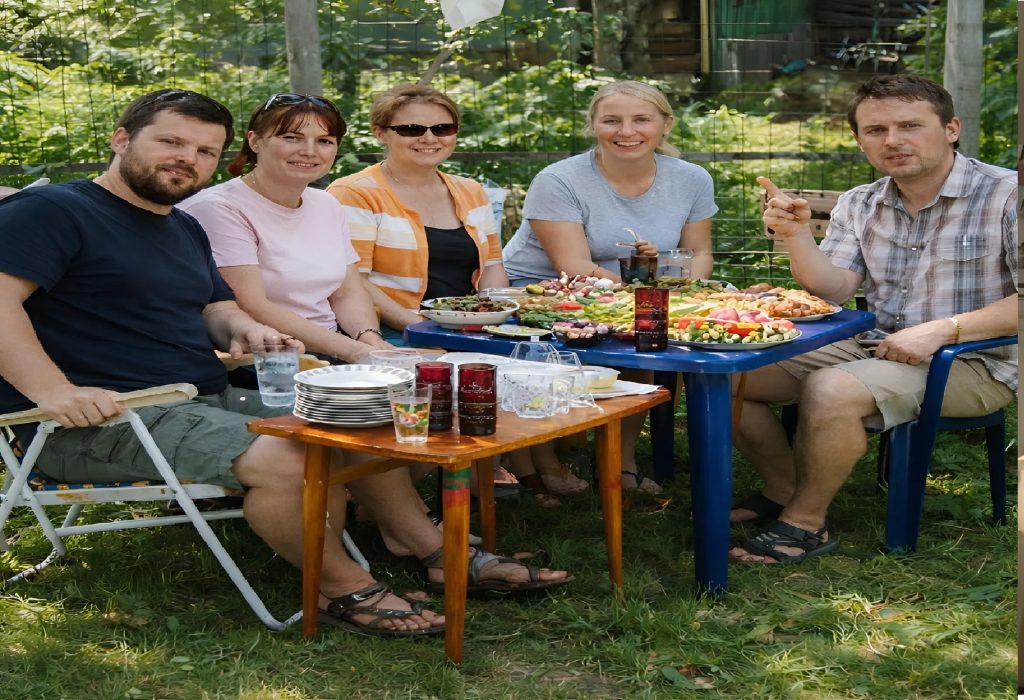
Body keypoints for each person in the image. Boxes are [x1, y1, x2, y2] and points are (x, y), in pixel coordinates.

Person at [0, 90, 569, 638]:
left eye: (204, 151)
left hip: (195, 397)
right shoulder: (54, 211)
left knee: (360, 416)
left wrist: (243, 328)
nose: (188, 159)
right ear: (121, 139)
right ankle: (344, 588)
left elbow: (215, 306)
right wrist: (53, 390)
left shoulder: (180, 225)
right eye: (171, 142)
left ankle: (438, 552)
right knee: (292, 455)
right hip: (94, 418)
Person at [730, 75, 1017, 564]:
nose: (893, 140)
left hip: (975, 360)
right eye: (876, 130)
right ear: (860, 140)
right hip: (876, 344)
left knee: (830, 389)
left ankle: (805, 524)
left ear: (951, 128)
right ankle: (783, 488)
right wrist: (797, 237)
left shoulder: (1008, 195)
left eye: (910, 126)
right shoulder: (861, 202)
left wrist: (942, 330)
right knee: (731, 375)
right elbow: (835, 289)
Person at [326, 84, 584, 504]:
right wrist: (422, 325)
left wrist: (497, 316)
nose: (429, 138)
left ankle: (509, 464)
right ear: (381, 133)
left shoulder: (468, 190)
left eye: (442, 128)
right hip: (394, 330)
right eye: (412, 129)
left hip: (465, 326)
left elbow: (492, 265)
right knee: (466, 376)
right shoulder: (354, 193)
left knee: (536, 359)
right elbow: (356, 280)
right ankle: (431, 486)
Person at [501, 79, 719, 492]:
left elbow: (699, 253)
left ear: (666, 124)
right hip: (542, 293)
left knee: (645, 339)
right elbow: (574, 266)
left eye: (642, 120)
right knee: (636, 330)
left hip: (627, 292)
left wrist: (681, 289)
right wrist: (648, 297)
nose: (627, 131)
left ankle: (619, 461)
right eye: (612, 121)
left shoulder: (692, 179)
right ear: (593, 125)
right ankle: (541, 457)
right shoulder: (559, 180)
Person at [179, 93, 391, 366]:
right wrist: (353, 352)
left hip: (334, 347)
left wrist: (370, 339)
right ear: (255, 141)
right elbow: (252, 305)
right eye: (292, 137)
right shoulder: (218, 208)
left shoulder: (326, 203)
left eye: (324, 141)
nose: (309, 151)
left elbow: (346, 292)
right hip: (264, 358)